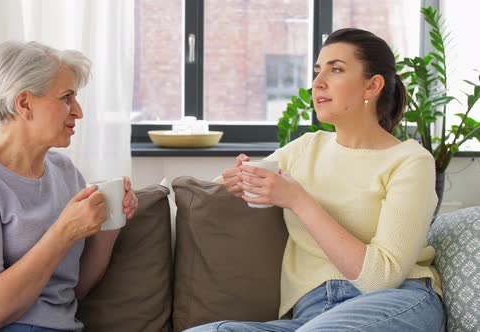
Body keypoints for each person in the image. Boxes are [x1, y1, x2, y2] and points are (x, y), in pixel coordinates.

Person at [187, 28, 445, 332]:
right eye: (317, 71)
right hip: (311, 317)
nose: (317, 83)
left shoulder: (410, 161)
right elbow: (213, 188)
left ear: (372, 86)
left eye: (335, 69)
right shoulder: (305, 149)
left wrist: (297, 200)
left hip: (395, 302)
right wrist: (237, 180)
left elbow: (381, 278)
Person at [0, 41, 138, 332]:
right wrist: (63, 232)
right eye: (66, 98)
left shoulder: (65, 173)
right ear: (24, 104)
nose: (78, 111)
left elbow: (71, 290)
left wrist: (111, 225)